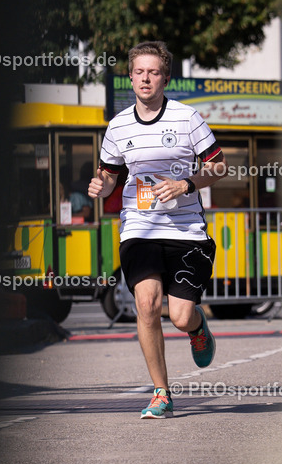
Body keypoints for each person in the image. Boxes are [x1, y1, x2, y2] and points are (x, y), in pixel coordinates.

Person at [88, 41, 227, 419]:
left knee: (180, 316)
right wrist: (101, 185)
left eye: (153, 72)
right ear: (130, 77)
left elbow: (219, 167)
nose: (145, 78)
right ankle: (161, 392)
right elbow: (110, 175)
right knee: (147, 304)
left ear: (165, 77)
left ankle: (198, 329)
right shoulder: (117, 126)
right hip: (140, 227)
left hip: (185, 229)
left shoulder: (188, 119)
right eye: (139, 71)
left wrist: (186, 184)